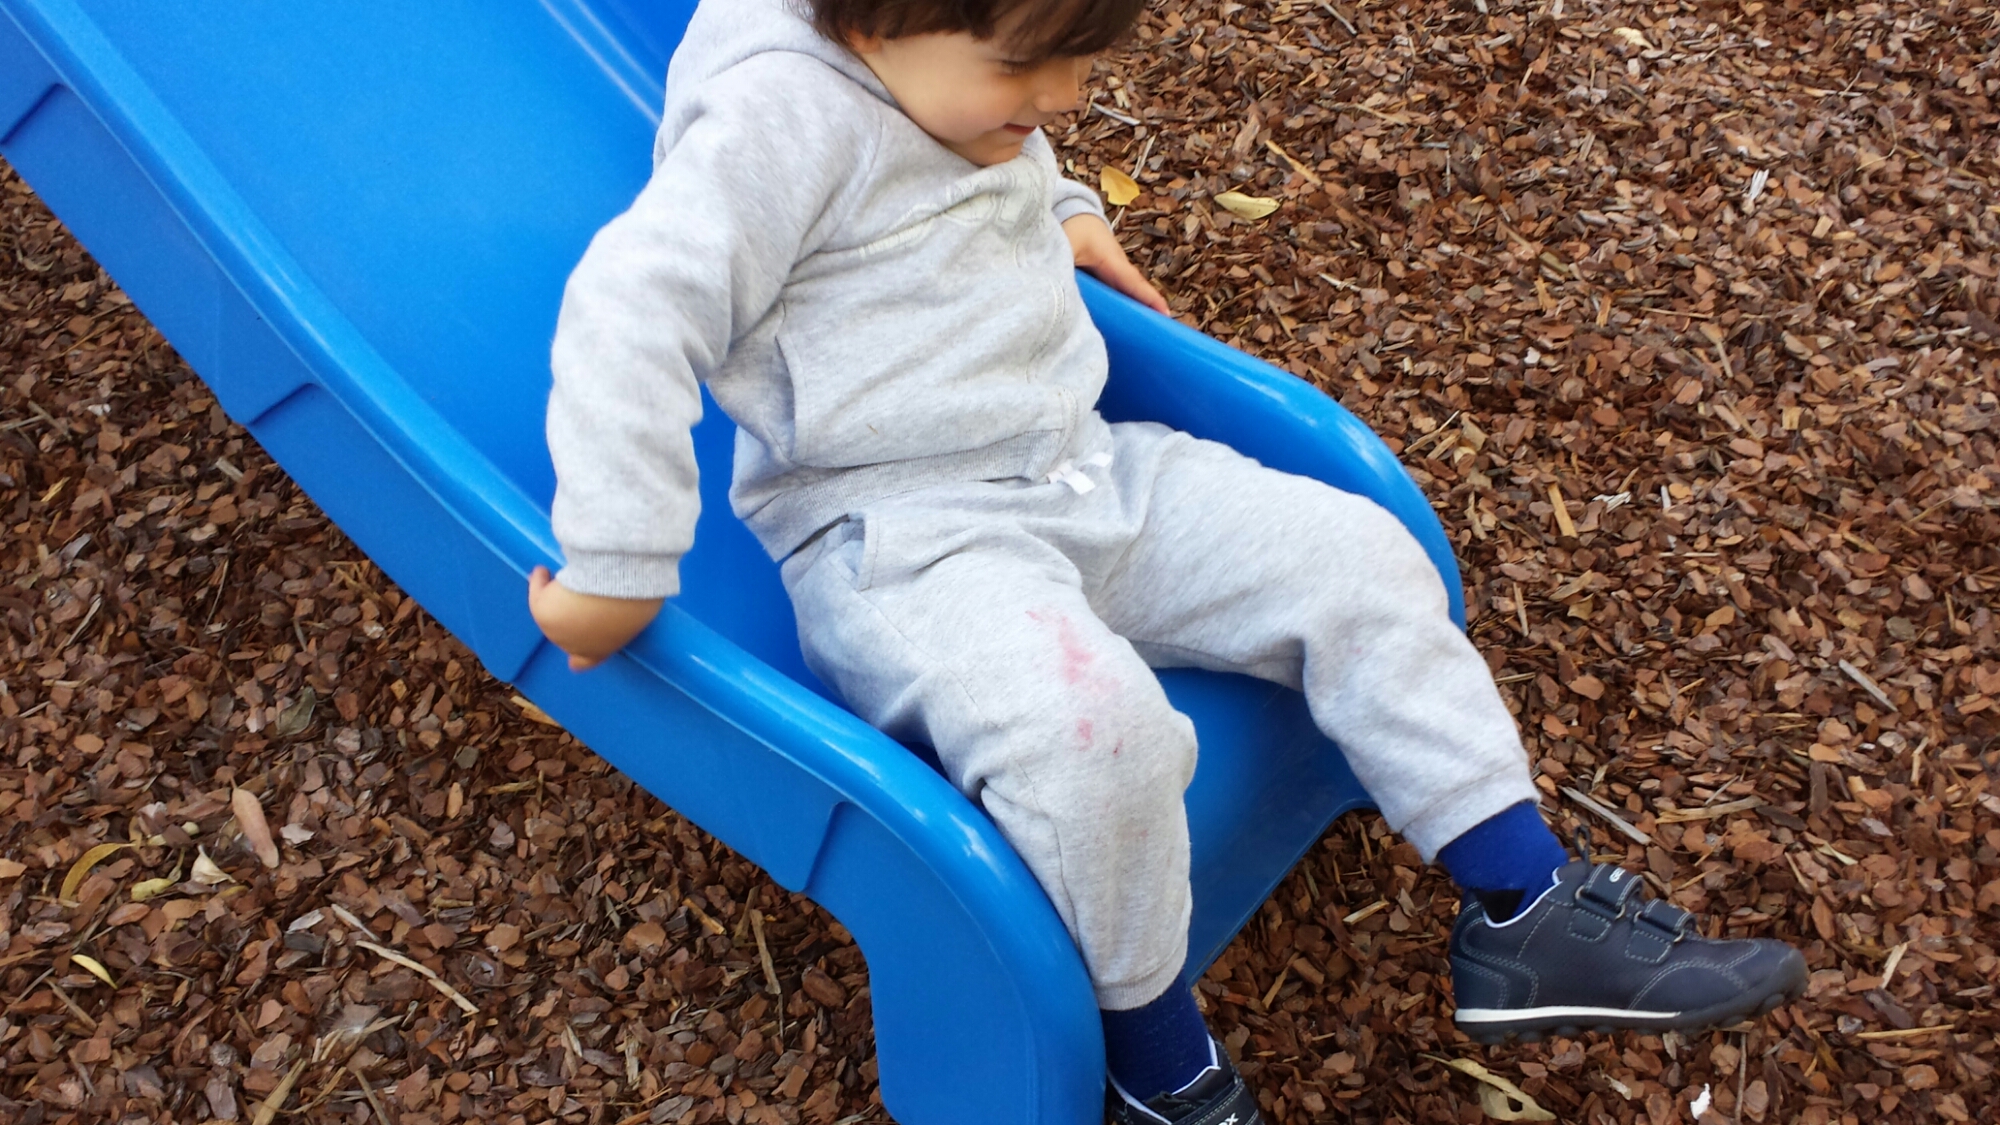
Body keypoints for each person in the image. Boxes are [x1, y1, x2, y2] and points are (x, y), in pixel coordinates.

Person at [525, 1, 1808, 1121]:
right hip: (903, 539)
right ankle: (1157, 1065)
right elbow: (628, 310)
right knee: (1096, 740)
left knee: (1355, 555)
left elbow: (967, 148)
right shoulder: (776, 119)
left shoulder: (945, 66)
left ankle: (1524, 911)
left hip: (1075, 467)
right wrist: (618, 561)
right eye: (1026, 68)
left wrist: (1058, 209)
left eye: (1077, 59)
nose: (1061, 96)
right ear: (869, 23)